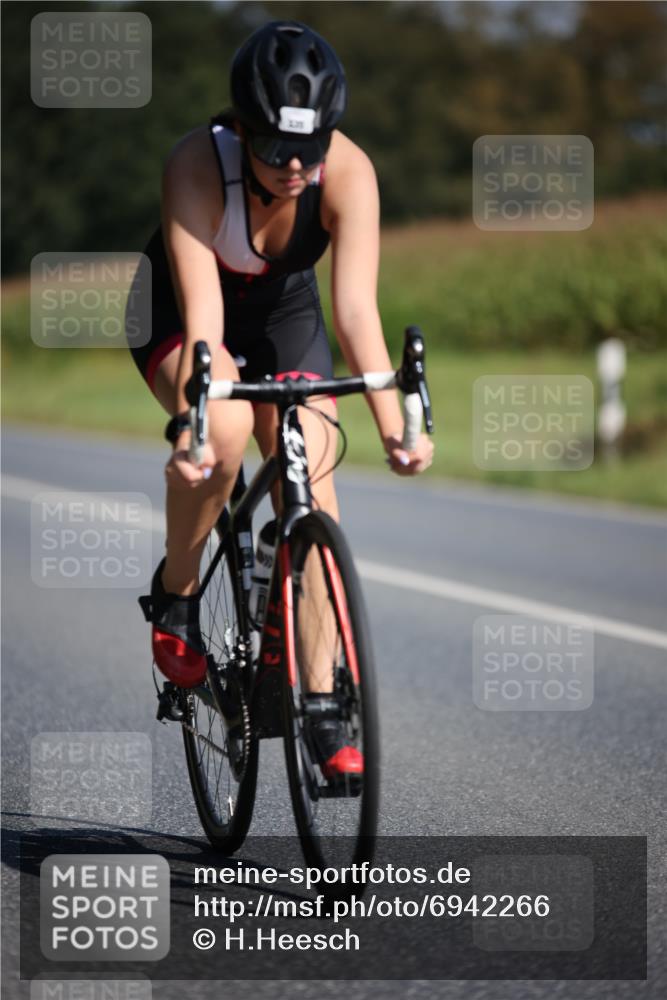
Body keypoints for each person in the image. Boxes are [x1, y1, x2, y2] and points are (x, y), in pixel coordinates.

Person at [127, 19, 433, 779]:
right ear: (242, 125)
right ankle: (178, 593)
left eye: (312, 145)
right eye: (275, 147)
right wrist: (195, 427)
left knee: (318, 493)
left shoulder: (349, 170)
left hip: (285, 314)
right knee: (225, 427)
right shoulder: (197, 165)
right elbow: (203, 325)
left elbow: (356, 313)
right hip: (181, 309)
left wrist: (396, 428)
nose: (296, 165)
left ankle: (323, 700)